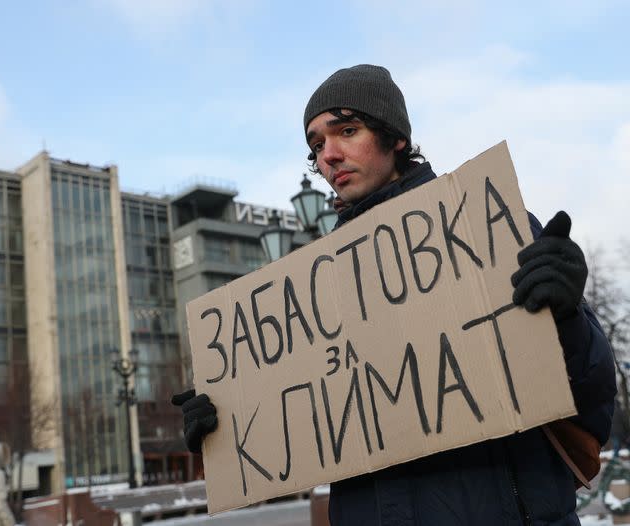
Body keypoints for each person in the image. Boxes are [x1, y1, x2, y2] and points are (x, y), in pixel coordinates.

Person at [172, 64, 617, 525]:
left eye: (347, 130)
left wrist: (566, 318)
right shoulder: (317, 287)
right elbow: (309, 429)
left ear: (396, 138)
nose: (329, 155)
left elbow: (596, 395)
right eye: (317, 145)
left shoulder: (486, 227)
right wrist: (226, 424)